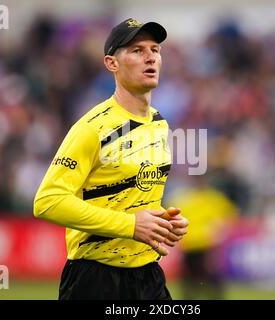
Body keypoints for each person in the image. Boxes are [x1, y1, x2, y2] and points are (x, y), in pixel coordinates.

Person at [33, 18, 188, 300]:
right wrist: (130, 225)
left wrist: (162, 222)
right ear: (111, 64)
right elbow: (48, 201)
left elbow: (132, 192)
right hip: (95, 279)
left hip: (148, 275)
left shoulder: (159, 124)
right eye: (137, 50)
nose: (150, 57)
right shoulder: (92, 128)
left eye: (155, 49)